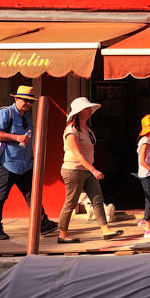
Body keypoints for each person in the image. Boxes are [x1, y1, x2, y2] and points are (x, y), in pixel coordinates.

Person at [0, 85, 59, 241]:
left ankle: (43, 224)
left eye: (31, 101)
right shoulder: (5, 112)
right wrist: (16, 137)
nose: (28, 104)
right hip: (7, 163)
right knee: (0, 197)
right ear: (16, 98)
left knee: (33, 195)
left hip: (25, 164)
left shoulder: (26, 116)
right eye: (25, 100)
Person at [56, 97, 123, 244]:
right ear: (79, 112)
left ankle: (106, 230)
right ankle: (62, 234)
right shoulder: (71, 130)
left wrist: (91, 169)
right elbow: (77, 154)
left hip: (87, 170)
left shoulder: (87, 128)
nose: (90, 111)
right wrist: (94, 170)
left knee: (97, 199)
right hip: (73, 170)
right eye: (87, 108)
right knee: (71, 202)